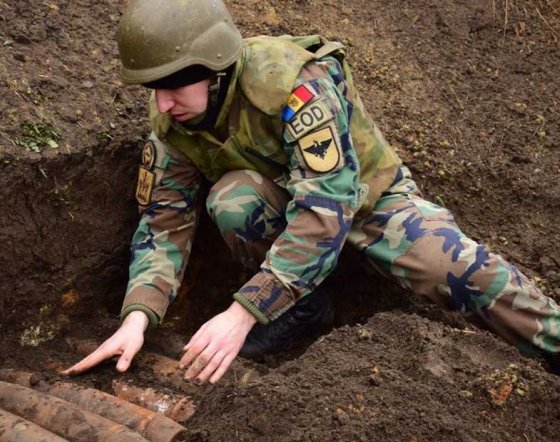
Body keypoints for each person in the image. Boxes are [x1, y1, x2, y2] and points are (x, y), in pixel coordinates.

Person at [63, 0, 560, 383]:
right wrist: (138, 316)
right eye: (153, 88)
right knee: (233, 200)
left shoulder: (292, 84)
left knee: (457, 270)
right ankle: (303, 308)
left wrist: (243, 312)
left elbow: (328, 207)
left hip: (367, 205)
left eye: (173, 86)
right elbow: (163, 220)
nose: (163, 103)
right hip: (284, 212)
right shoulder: (174, 122)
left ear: (214, 70)